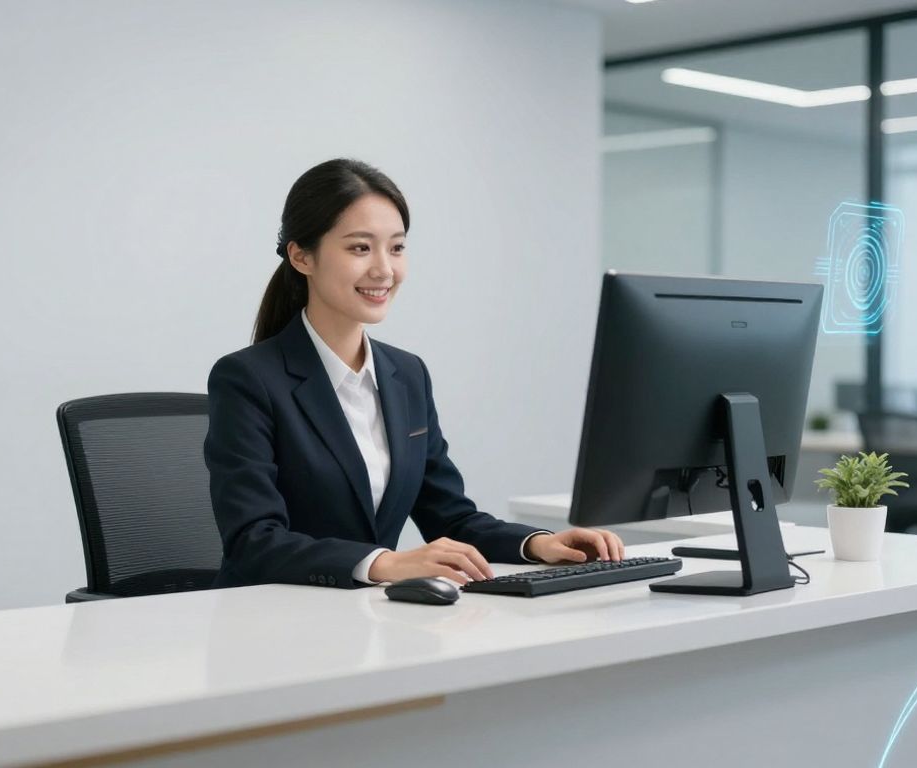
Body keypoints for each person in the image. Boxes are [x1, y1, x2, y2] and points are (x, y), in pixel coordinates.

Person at [203, 158, 623, 589]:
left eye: (397, 247)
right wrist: (383, 563)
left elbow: (451, 516)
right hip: (267, 622)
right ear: (301, 256)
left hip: (361, 619)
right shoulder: (247, 379)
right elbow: (254, 542)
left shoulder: (406, 375)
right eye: (360, 248)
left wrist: (538, 544)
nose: (384, 269)